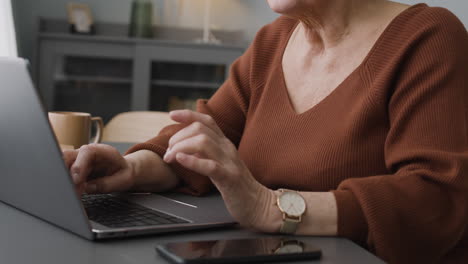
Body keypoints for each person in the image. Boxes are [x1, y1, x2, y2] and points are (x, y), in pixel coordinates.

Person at [64, 0, 468, 262]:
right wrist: (131, 168)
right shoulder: (273, 41)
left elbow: (436, 198)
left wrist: (272, 208)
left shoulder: (429, 37)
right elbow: (205, 134)